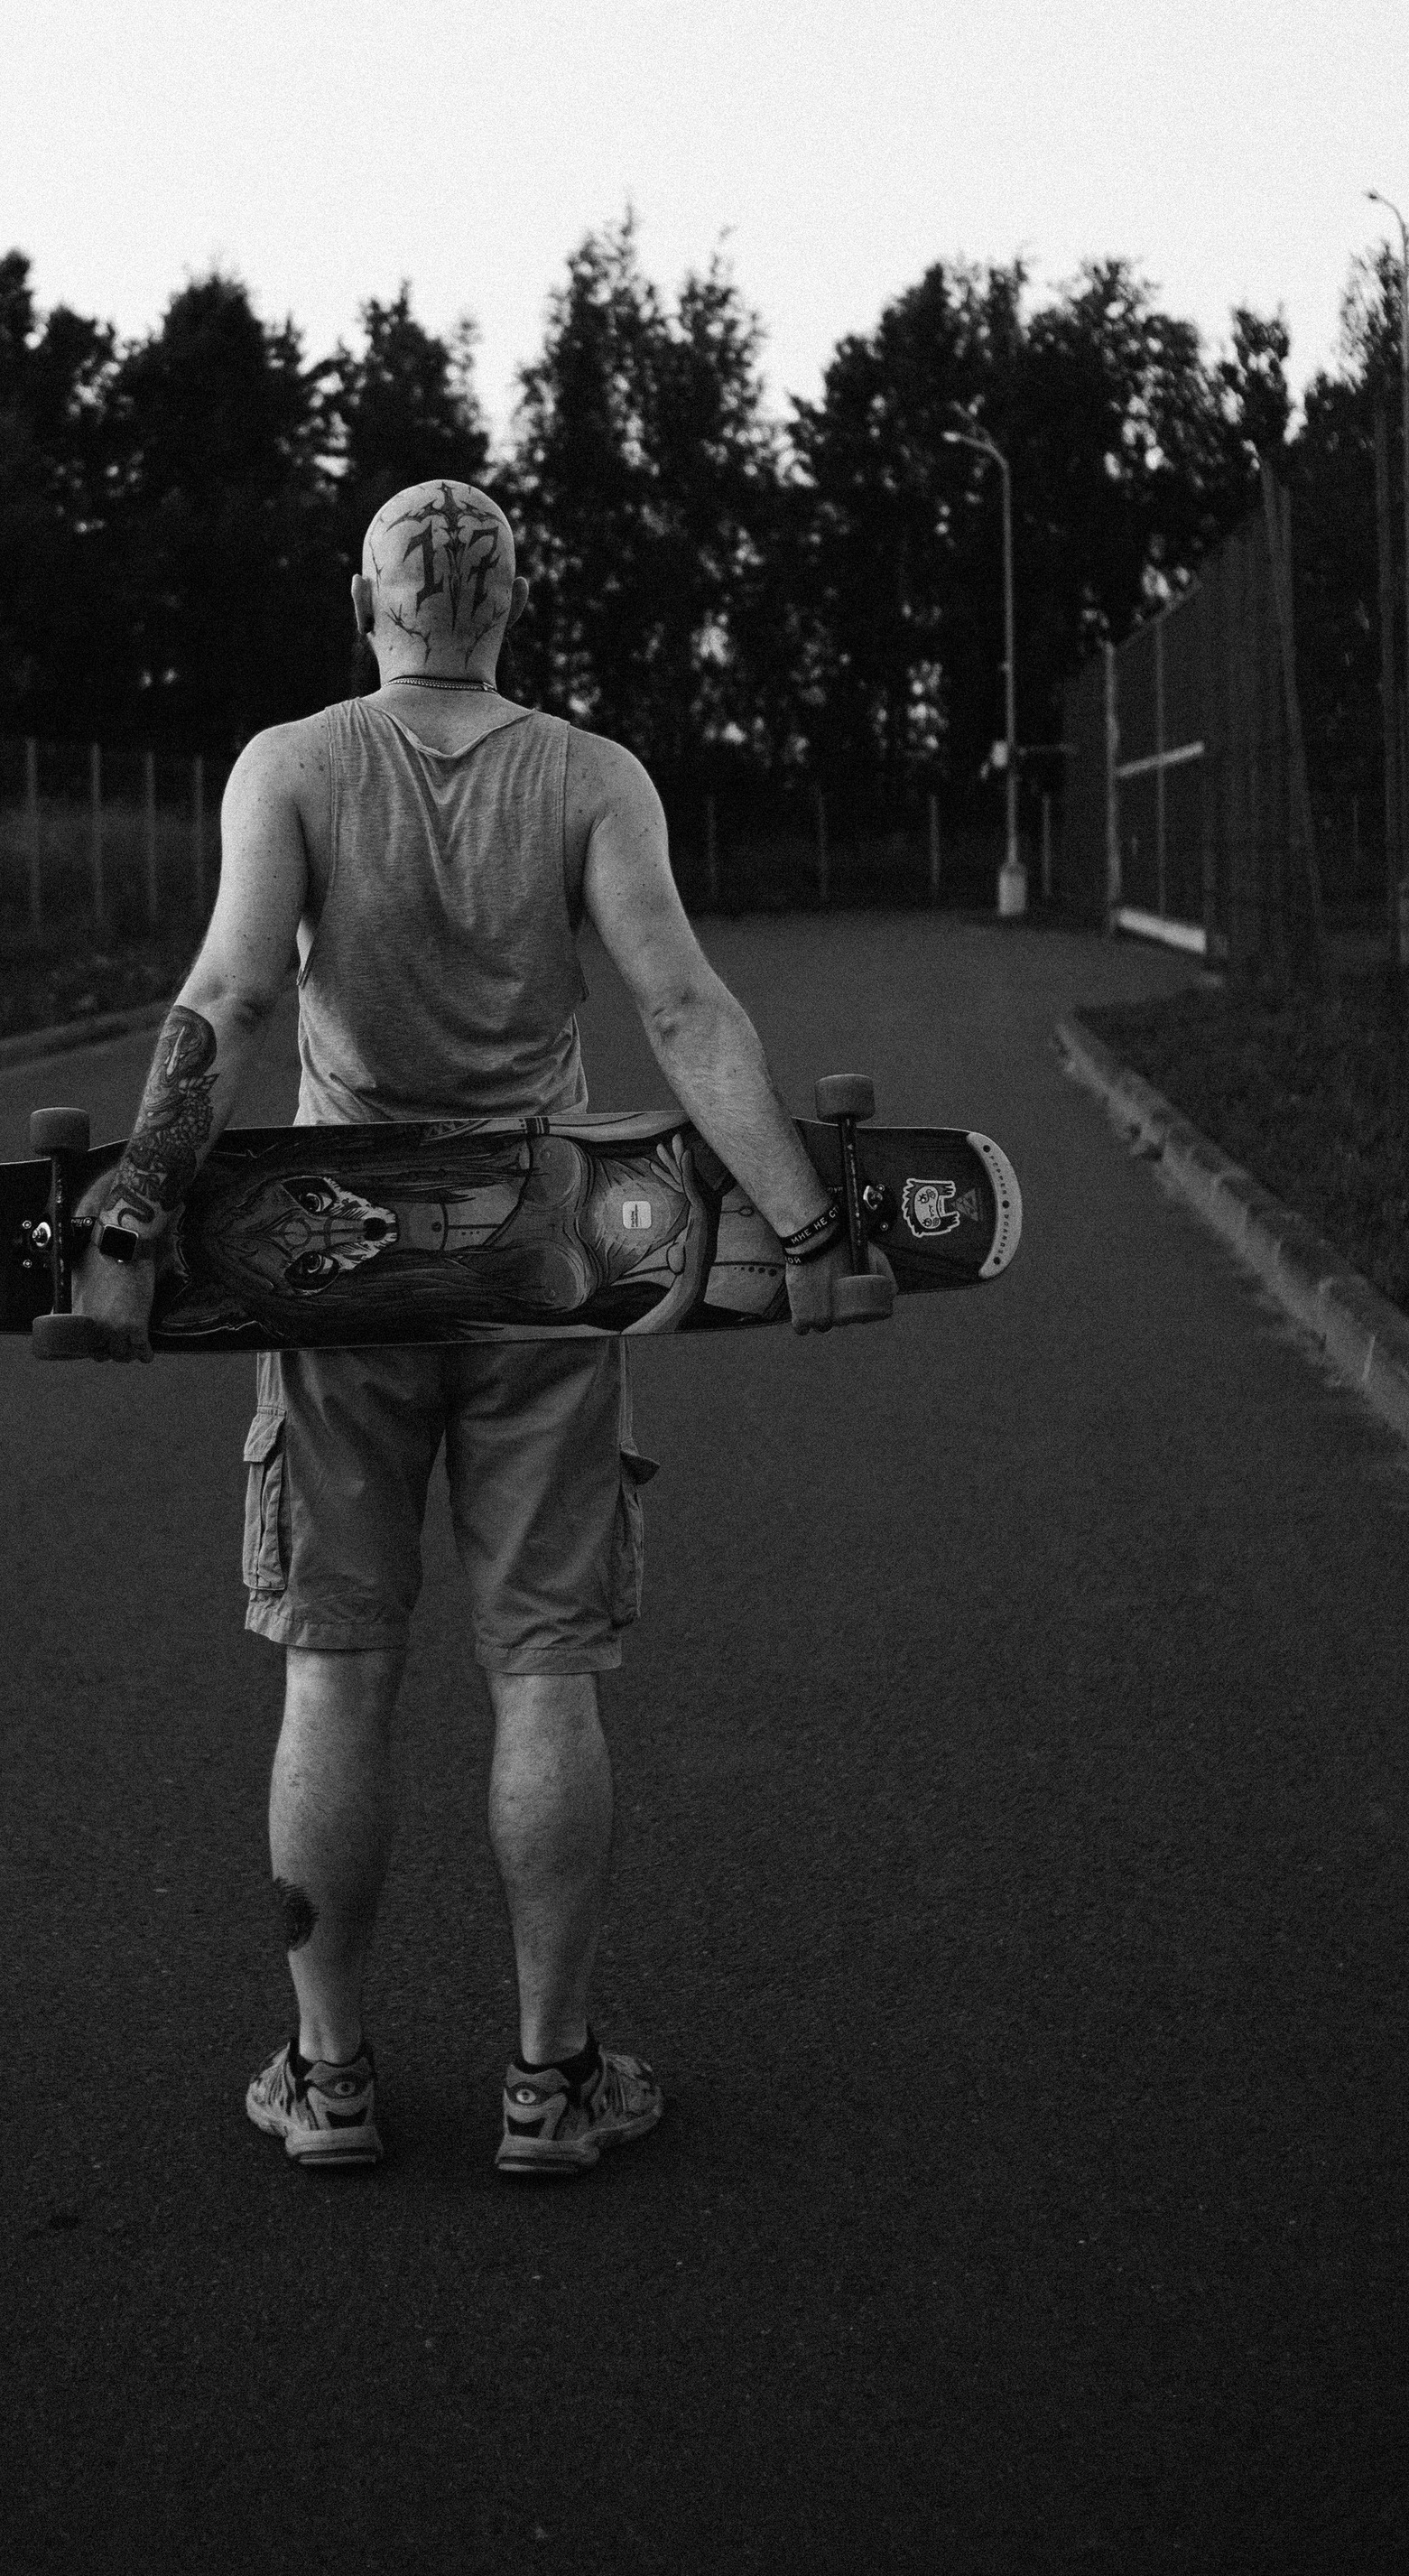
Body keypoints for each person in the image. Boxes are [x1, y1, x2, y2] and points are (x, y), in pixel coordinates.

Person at [74, 479, 861, 2176]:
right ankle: (549, 2083)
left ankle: (331, 2077)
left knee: (338, 1675)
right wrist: (802, 1221)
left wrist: (143, 1192)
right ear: (510, 604)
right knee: (547, 1674)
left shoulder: (290, 764)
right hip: (549, 1267)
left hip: (328, 1260)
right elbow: (676, 1004)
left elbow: (230, 994)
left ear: (361, 603)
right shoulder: (592, 777)